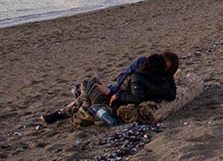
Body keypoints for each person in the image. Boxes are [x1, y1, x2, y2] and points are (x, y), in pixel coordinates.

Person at [42, 53, 178, 125]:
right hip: (117, 93)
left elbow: (136, 95)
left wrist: (113, 93)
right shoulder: (164, 81)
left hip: (112, 101)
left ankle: (69, 111)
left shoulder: (140, 76)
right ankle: (81, 100)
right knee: (92, 85)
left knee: (88, 84)